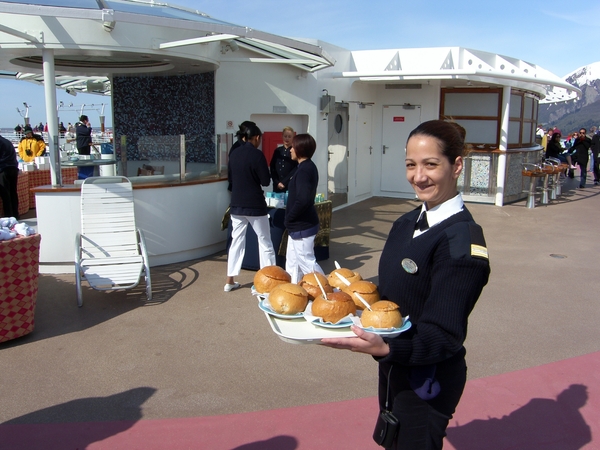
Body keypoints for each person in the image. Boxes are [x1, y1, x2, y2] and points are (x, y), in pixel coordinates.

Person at [322, 120, 490, 450]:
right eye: (411, 165)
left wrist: (387, 348)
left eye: (431, 164)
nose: (418, 176)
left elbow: (445, 334)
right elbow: (390, 295)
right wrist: (341, 302)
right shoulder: (405, 222)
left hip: (429, 378)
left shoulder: (462, 244)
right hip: (395, 365)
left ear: (456, 166)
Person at [225, 124, 276, 292]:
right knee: (265, 242)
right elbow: (265, 181)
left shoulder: (233, 154)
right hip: (255, 205)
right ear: (257, 138)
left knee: (236, 242)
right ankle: (268, 281)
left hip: (237, 205)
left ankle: (230, 280)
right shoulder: (257, 155)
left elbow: (231, 179)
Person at [284, 133, 324, 283]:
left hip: (302, 225)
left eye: (293, 147)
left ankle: (327, 292)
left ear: (300, 149)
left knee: (307, 263)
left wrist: (289, 217)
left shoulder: (305, 170)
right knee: (293, 263)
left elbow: (303, 199)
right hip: (297, 226)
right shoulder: (305, 167)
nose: (290, 150)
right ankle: (293, 290)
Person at [270, 126, 298, 193]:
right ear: (282, 136)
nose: (287, 138)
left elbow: (296, 168)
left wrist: (284, 182)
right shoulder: (277, 151)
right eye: (285, 136)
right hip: (277, 185)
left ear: (293, 138)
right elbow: (272, 167)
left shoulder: (294, 151)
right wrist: (276, 181)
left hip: (289, 185)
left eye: (289, 136)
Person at [0, 133, 20, 219]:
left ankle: (9, 216)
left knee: (5, 194)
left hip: (3, 168)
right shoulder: (7, 141)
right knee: (13, 192)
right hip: (13, 168)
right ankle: (15, 214)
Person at [75, 115, 94, 179]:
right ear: (85, 120)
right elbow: (87, 132)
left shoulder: (81, 126)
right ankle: (83, 175)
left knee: (87, 159)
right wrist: (89, 127)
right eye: (87, 120)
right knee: (84, 160)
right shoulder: (80, 127)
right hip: (83, 145)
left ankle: (86, 174)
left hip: (85, 145)